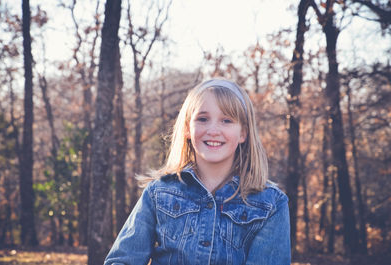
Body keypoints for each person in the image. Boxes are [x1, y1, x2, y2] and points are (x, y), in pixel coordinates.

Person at [104, 78, 291, 265]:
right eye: (203, 119)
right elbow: (121, 260)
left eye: (226, 120)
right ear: (187, 128)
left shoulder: (271, 204)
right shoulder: (159, 193)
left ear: (243, 133)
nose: (213, 130)